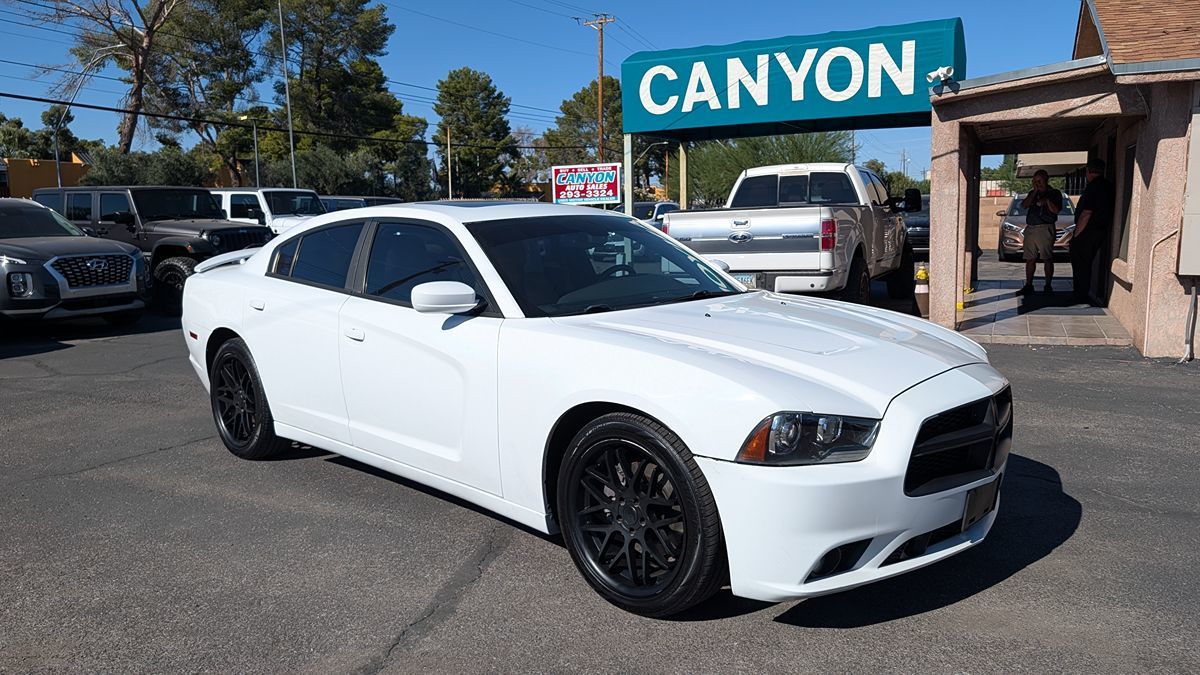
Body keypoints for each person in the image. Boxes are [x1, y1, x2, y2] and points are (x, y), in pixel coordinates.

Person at [1071, 158, 1115, 306]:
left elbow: (1086, 213)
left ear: (1089, 172)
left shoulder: (1093, 187)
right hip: (1100, 230)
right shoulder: (1108, 186)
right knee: (1087, 263)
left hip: (1088, 232)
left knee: (1080, 264)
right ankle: (1082, 293)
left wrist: (1076, 234)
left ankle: (1079, 295)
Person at [1016, 169, 1063, 295]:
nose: (1038, 184)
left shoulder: (1054, 193)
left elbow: (1056, 210)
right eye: (1035, 181)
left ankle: (1048, 285)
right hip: (1031, 228)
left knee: (1047, 258)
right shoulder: (1033, 193)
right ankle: (1028, 284)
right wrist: (1034, 193)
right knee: (1030, 258)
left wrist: (1046, 201)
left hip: (1045, 227)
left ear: (1046, 180)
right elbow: (1024, 205)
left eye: (1040, 181)